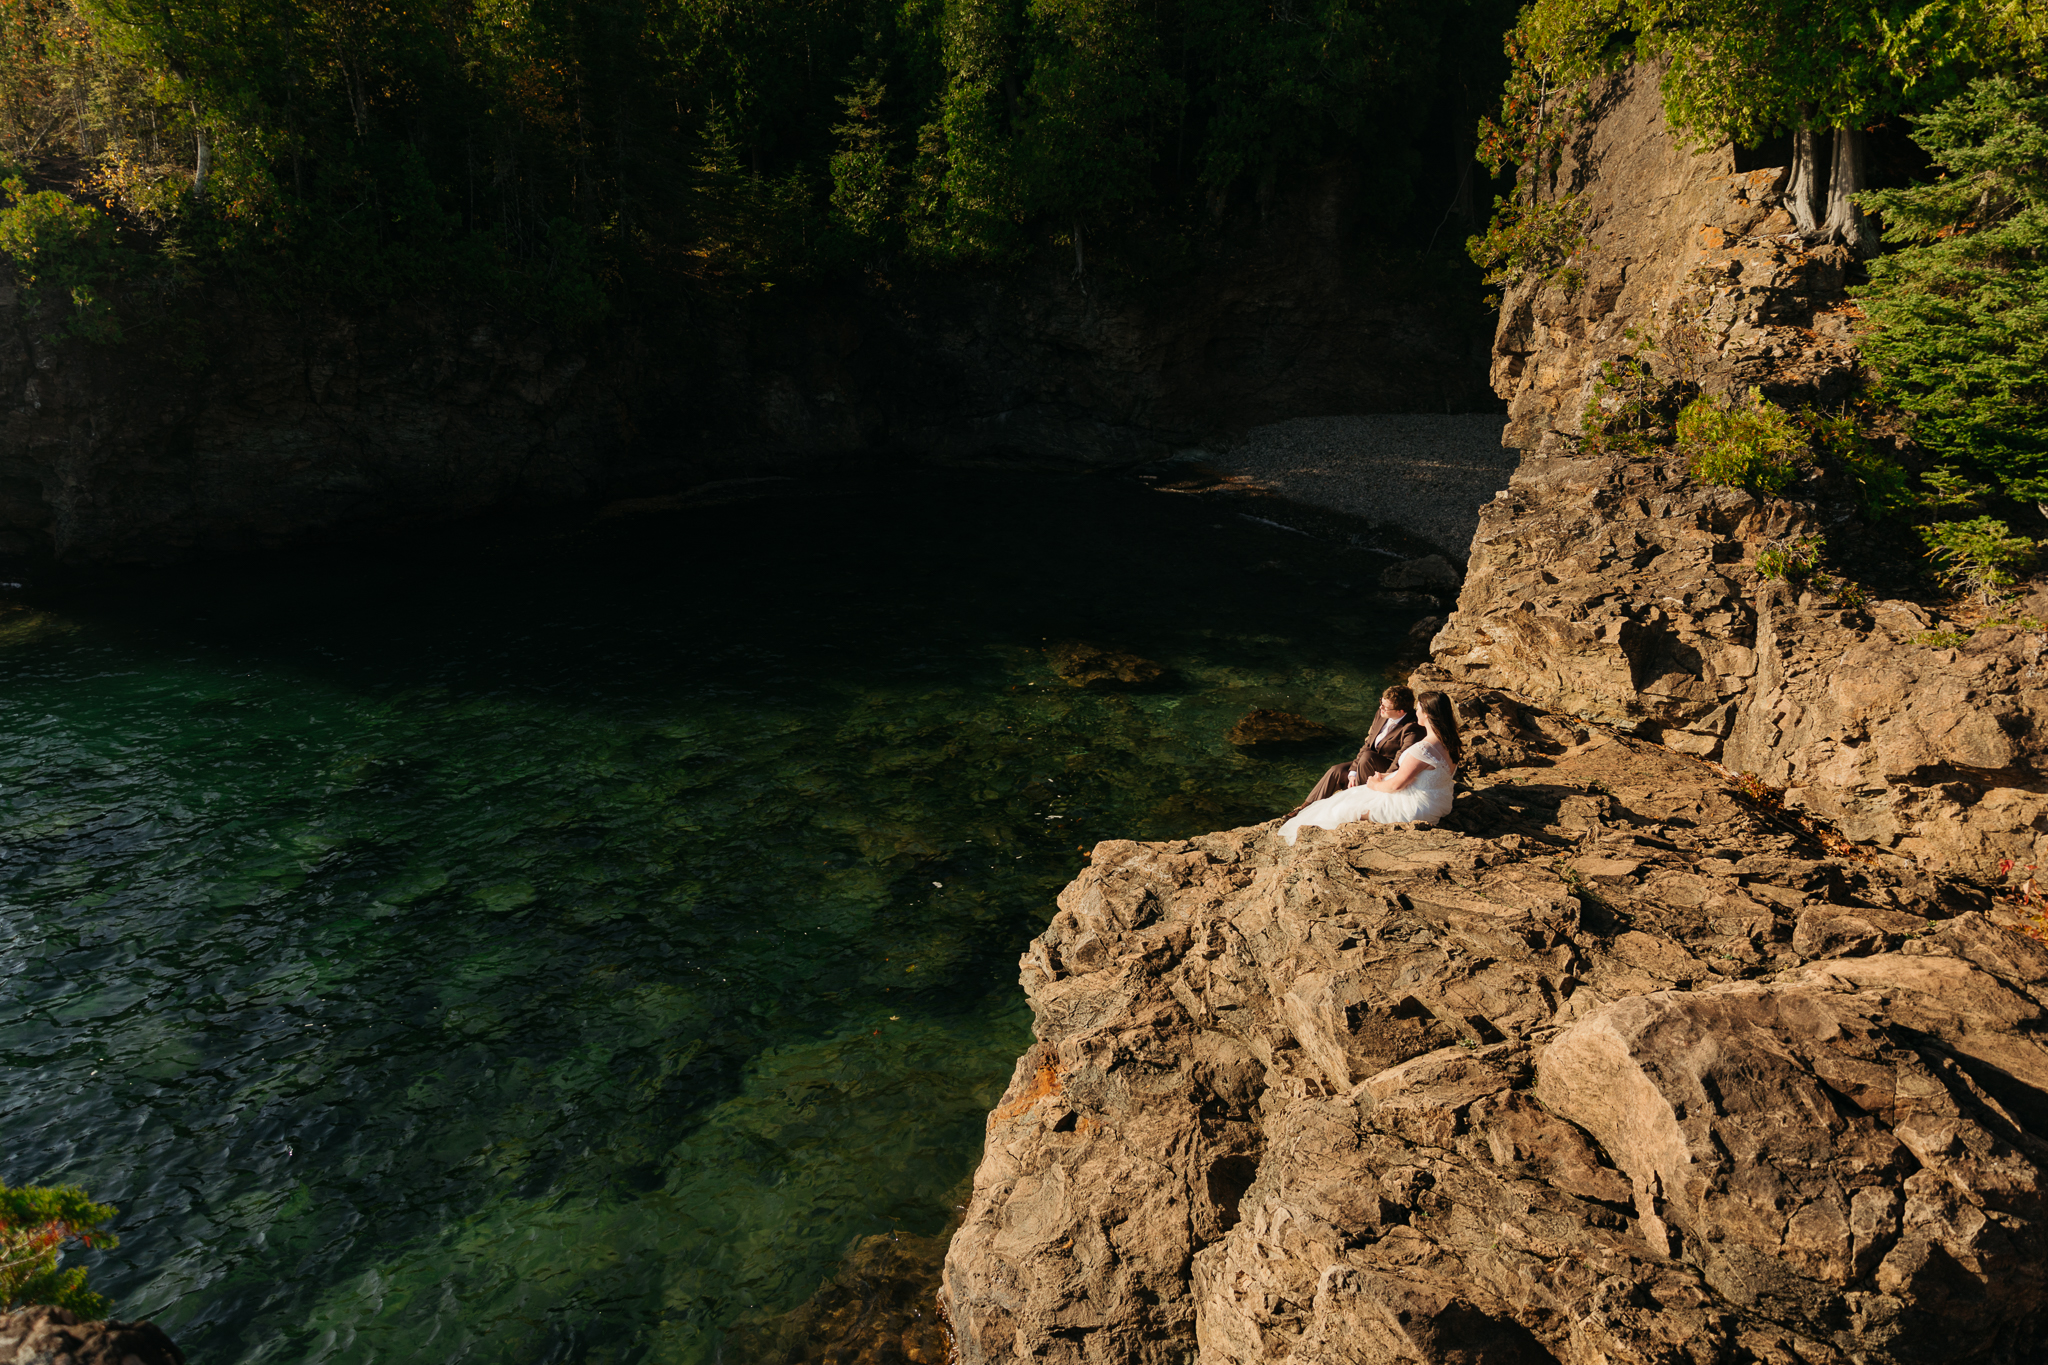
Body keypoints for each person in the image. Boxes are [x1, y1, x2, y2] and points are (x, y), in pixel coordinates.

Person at [1278, 690, 1462, 843]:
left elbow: (1397, 785)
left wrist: (1374, 784)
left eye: (1419, 708)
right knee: (1341, 779)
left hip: (1415, 806)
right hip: (1439, 800)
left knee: (1346, 806)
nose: (1416, 711)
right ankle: (1305, 807)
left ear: (1427, 714)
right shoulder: (1450, 744)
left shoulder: (1423, 748)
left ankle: (1308, 831)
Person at [1285, 686, 1426, 820]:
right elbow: (1368, 744)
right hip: (1368, 762)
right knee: (1337, 771)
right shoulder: (1381, 715)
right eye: (1381, 703)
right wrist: (1353, 772)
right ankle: (1305, 808)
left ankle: (1355, 803)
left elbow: (1401, 760)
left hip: (1389, 770)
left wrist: (1382, 779)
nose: (1380, 708)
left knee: (1367, 757)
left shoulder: (1412, 728)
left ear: (1400, 711)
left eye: (1385, 707)